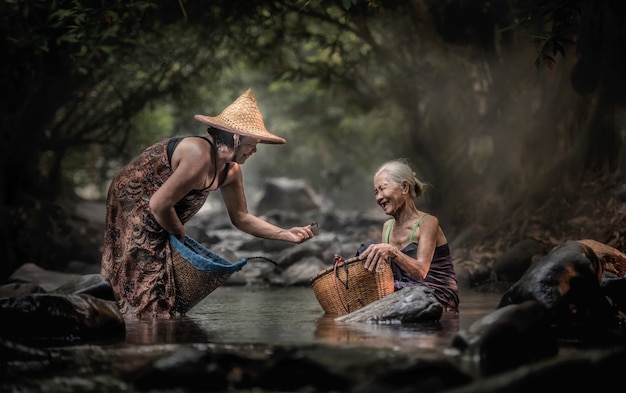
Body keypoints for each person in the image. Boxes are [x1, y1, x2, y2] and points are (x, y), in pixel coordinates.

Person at [101, 88, 316, 318]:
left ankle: (152, 334)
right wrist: (178, 231)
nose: (254, 150)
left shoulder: (231, 171)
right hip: (133, 201)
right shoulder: (198, 154)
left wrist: (285, 234)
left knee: (165, 286)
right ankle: (133, 329)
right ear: (235, 138)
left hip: (163, 210)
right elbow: (159, 205)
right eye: (252, 143)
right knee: (142, 280)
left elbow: (241, 217)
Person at [357, 159, 459, 312]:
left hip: (434, 293)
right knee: (367, 249)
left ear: (404, 187)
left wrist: (392, 251)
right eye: (376, 192)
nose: (378, 198)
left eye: (382, 189)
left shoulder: (428, 222)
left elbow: (421, 272)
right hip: (403, 290)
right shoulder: (388, 227)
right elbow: (388, 274)